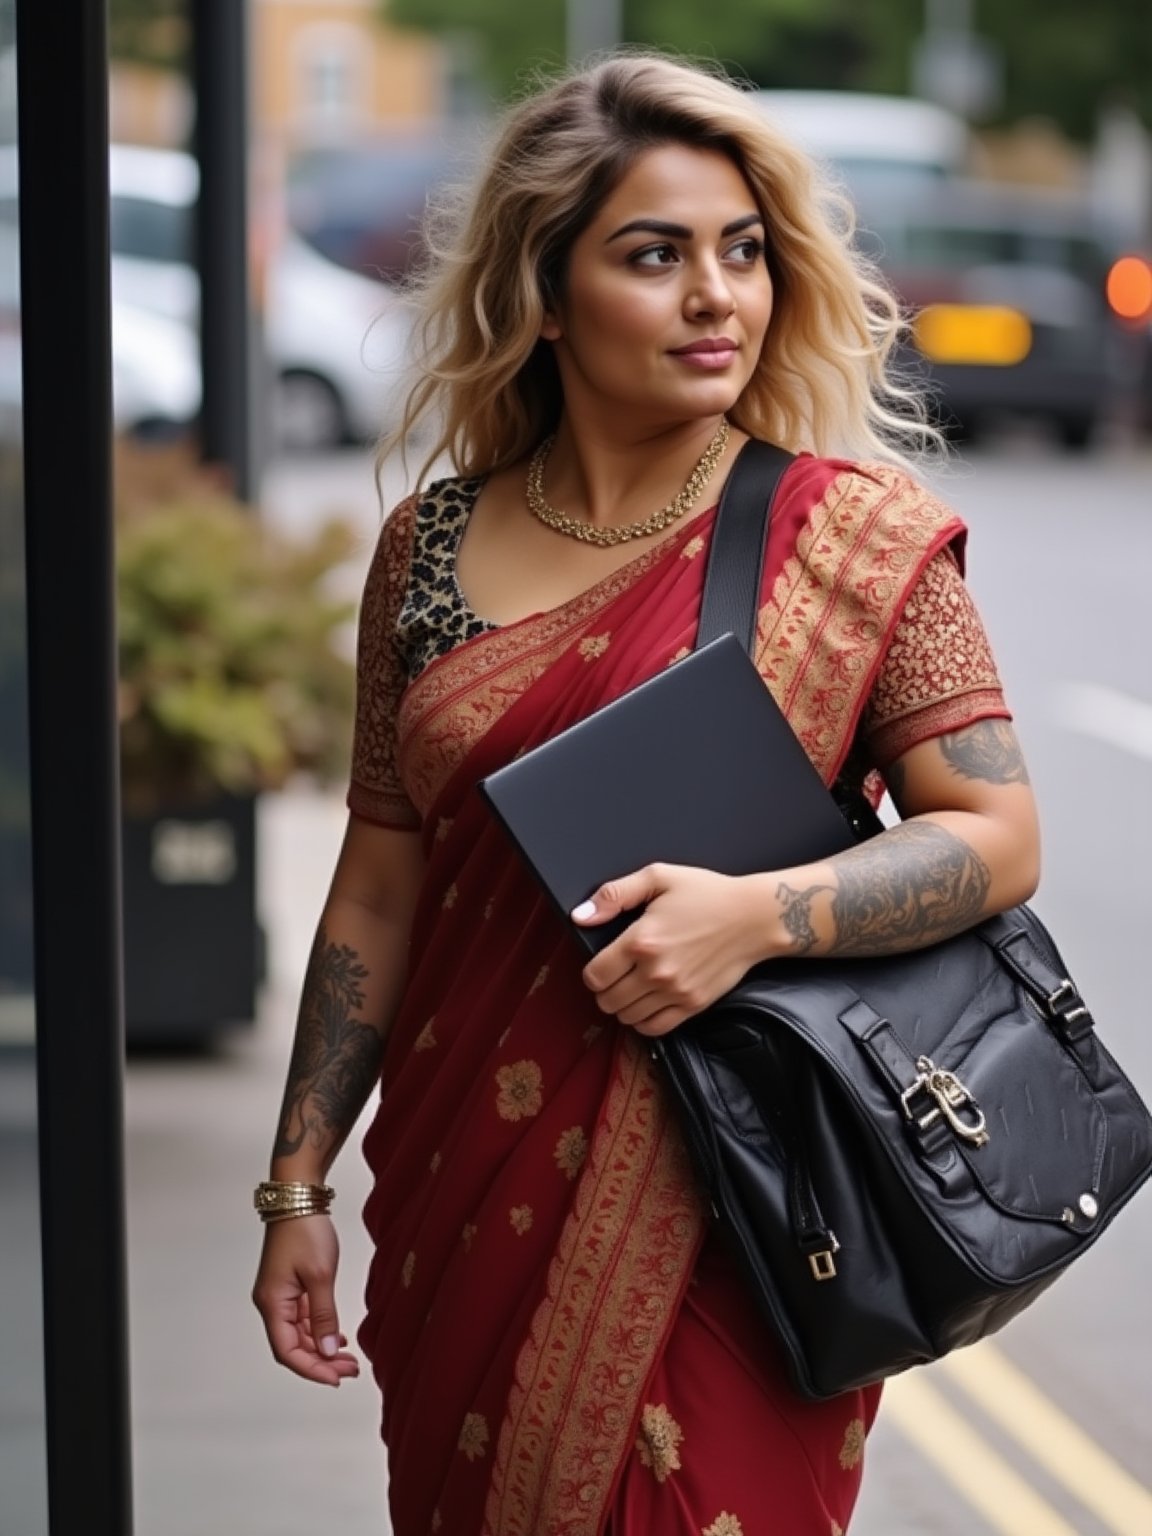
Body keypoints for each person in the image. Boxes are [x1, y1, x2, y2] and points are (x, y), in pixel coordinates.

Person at [252, 53, 1040, 1536]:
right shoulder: (425, 552)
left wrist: (758, 916)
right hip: (465, 1206)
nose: (716, 296)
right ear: (544, 294)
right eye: (654, 255)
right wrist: (296, 1185)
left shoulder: (854, 540)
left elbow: (996, 841)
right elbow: (380, 880)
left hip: (742, 1212)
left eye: (743, 252)